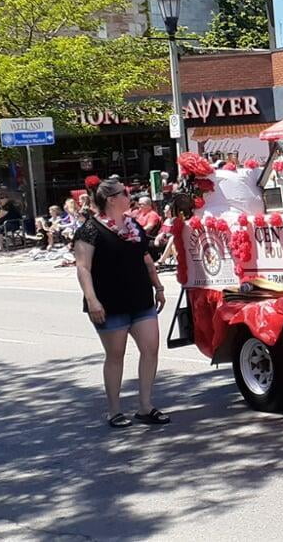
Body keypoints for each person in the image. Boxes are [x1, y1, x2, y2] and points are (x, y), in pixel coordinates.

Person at [74, 178, 169, 429]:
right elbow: (83, 268)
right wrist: (92, 300)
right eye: (125, 193)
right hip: (109, 302)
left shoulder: (133, 225)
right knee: (115, 355)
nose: (130, 196)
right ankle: (114, 410)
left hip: (140, 298)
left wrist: (158, 286)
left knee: (150, 349)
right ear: (111, 199)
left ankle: (145, 406)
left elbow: (146, 258)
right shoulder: (90, 229)